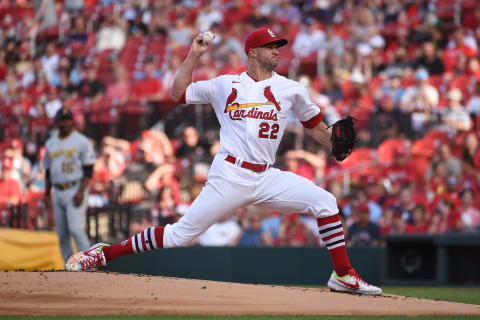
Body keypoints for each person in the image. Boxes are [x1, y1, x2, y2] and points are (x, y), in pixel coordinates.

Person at [67, 28, 382, 295]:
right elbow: (178, 92)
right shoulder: (225, 85)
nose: (276, 51)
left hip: (267, 176)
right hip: (230, 174)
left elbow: (318, 131)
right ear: (252, 52)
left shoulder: (291, 89)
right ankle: (103, 254)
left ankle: (342, 275)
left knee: (325, 201)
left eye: (278, 46)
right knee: (180, 235)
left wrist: (335, 142)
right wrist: (194, 55)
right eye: (270, 47)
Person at [44, 107, 96, 263]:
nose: (65, 123)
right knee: (62, 234)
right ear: (57, 122)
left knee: (76, 229)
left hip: (75, 188)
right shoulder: (50, 143)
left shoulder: (81, 141)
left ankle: (89, 262)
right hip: (57, 190)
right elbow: (48, 171)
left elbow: (89, 169)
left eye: (68, 119)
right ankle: (70, 266)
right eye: (62, 120)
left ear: (72, 121)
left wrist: (81, 192)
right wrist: (46, 194)